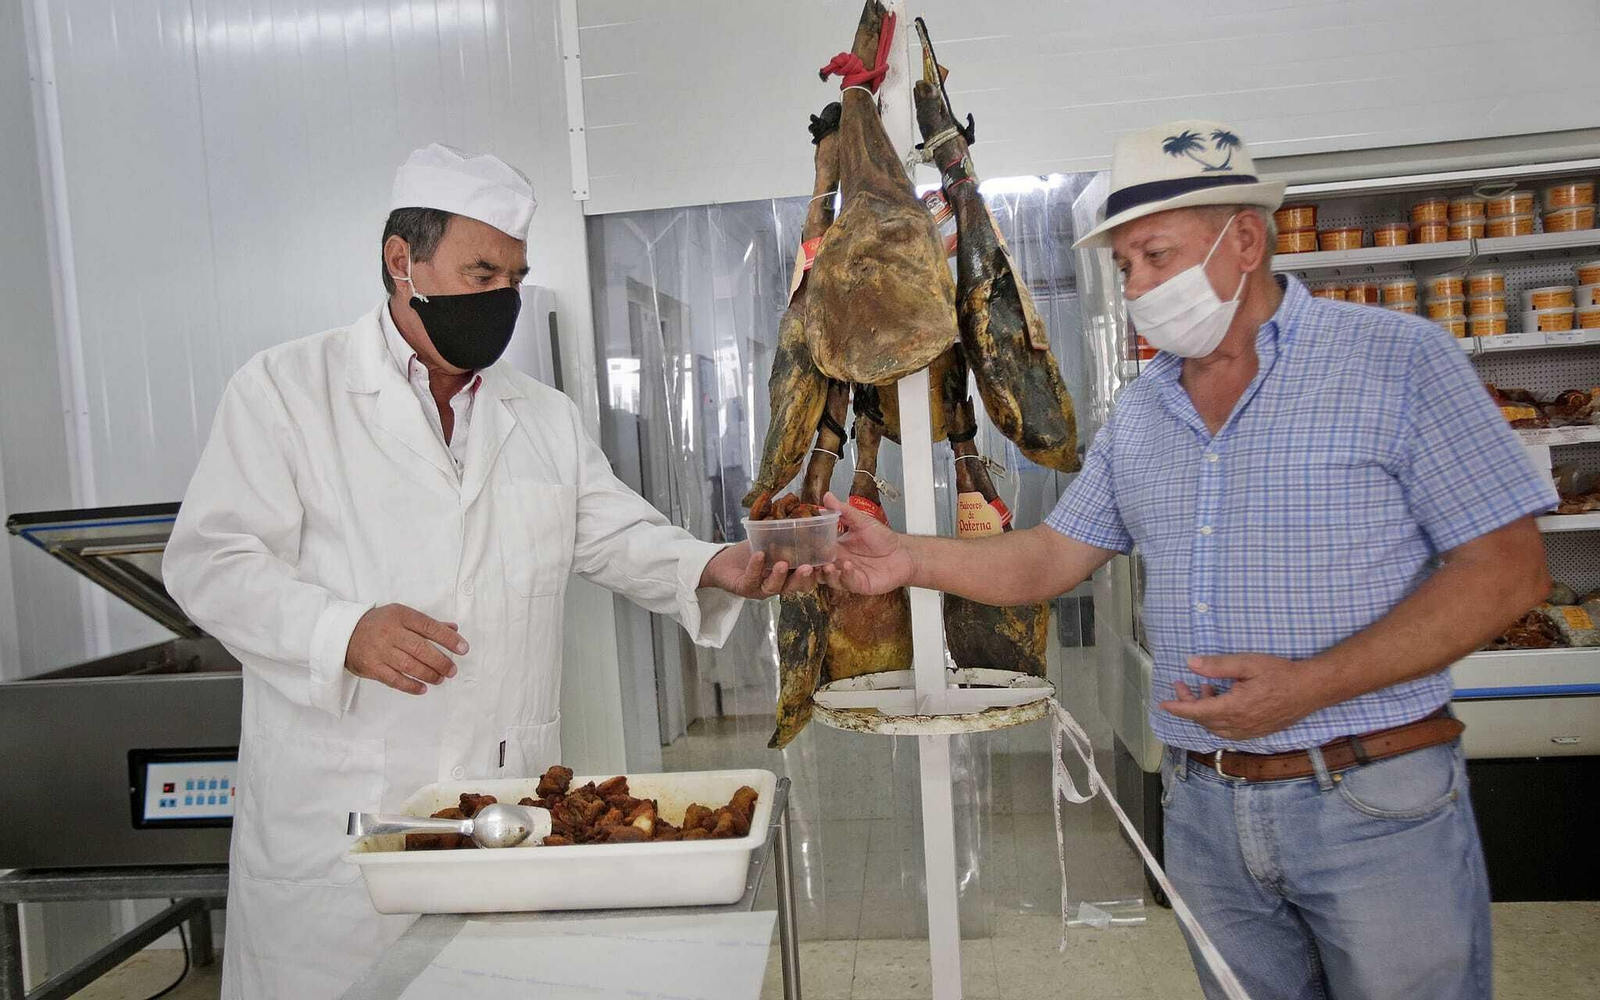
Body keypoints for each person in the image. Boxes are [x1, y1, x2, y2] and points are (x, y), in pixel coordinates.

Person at [820, 120, 1554, 999]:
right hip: (1206, 807)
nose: (1138, 287)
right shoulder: (1143, 411)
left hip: (1371, 795)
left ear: (1245, 239)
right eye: (1125, 266)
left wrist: (1310, 685)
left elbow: (1509, 573)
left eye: (1156, 256)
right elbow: (1051, 558)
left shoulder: (1396, 362)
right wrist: (906, 558)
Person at [162, 144, 815, 999]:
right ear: (403, 262)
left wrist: (718, 564)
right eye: (480, 272)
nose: (502, 299)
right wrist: (341, 631)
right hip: (343, 821)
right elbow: (210, 561)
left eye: (514, 275)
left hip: (498, 815)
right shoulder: (286, 392)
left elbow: (612, 532)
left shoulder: (539, 416)